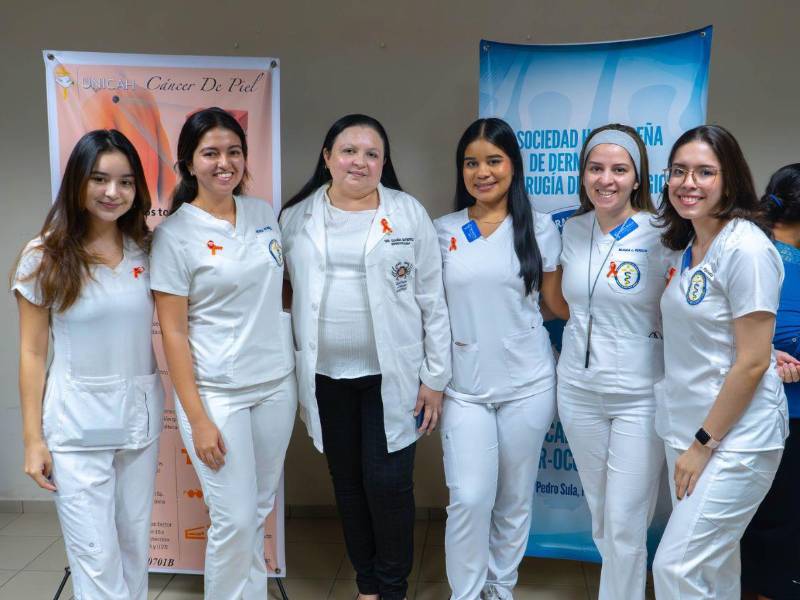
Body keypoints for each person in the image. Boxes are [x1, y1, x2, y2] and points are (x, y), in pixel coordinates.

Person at [279, 114, 451, 600]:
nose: (360, 161)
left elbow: (432, 300)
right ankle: (368, 585)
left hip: (391, 376)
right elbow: (285, 293)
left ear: (383, 163)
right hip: (324, 376)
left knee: (389, 485)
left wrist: (435, 377)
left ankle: (393, 588)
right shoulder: (296, 218)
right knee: (348, 484)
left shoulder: (407, 213)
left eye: (372, 153)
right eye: (349, 151)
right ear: (327, 157)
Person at [150, 107, 296, 599]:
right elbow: (172, 333)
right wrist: (199, 418)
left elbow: (280, 290)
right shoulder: (174, 236)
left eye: (234, 152)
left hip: (276, 385)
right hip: (217, 395)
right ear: (188, 164)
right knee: (233, 519)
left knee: (255, 511)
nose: (224, 163)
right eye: (210, 153)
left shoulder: (261, 214)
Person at [11, 129, 163, 600]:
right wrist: (33, 440)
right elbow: (32, 353)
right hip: (76, 430)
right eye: (99, 179)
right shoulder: (45, 256)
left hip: (139, 423)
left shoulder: (147, 249)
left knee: (135, 548)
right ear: (77, 182)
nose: (112, 193)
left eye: (126, 182)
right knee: (96, 558)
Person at [651, 125, 788, 600]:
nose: (689, 182)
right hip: (691, 427)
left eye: (705, 172)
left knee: (676, 568)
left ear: (729, 181)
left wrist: (703, 443)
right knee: (717, 569)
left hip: (734, 440)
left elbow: (750, 364)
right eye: (680, 171)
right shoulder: (691, 245)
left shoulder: (745, 248)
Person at [433, 117, 564, 600]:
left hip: (528, 385)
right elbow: (429, 312)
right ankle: (466, 592)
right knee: (468, 498)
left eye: (493, 161)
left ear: (513, 166)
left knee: (513, 498)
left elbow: (556, 307)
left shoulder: (541, 229)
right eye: (471, 162)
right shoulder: (441, 231)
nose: (481, 172)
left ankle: (500, 586)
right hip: (463, 388)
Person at [556, 124, 671, 600]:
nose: (606, 179)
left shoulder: (663, 233)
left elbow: (696, 306)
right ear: (583, 175)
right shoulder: (572, 229)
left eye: (619, 169)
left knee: (625, 520)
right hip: (578, 391)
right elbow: (563, 303)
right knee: (603, 512)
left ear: (638, 178)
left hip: (638, 395)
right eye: (596, 168)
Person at [740, 163, 800, 600]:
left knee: (760, 514)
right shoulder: (768, 255)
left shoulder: (746, 246)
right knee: (781, 516)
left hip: (748, 408)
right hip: (780, 409)